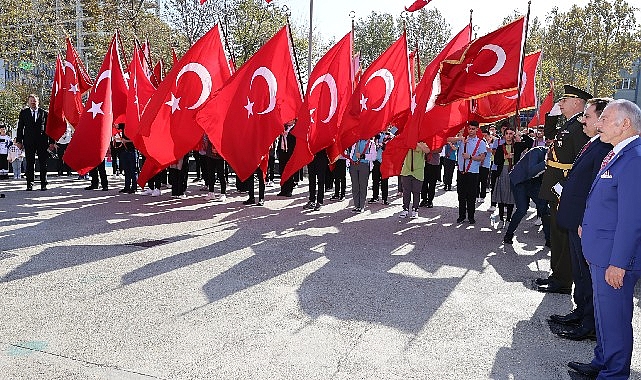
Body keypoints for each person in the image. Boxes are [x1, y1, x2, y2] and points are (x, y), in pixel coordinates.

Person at [567, 99, 641, 379]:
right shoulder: (617, 153)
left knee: (616, 320)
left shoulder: (634, 158)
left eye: (605, 119)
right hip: (601, 253)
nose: (598, 124)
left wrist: (619, 263)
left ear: (625, 124)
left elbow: (633, 218)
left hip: (615, 258)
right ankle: (602, 362)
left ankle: (614, 374)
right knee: (604, 317)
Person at [551, 98, 613, 343]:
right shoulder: (594, 142)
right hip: (575, 220)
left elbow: (596, 191)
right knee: (580, 273)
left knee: (587, 276)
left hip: (583, 223)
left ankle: (589, 324)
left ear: (602, 119)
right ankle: (580, 312)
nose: (582, 121)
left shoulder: (605, 148)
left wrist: (585, 220)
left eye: (587, 116)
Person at [537, 85, 591, 295]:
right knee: (556, 232)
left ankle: (563, 280)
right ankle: (556, 275)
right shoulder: (570, 124)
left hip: (564, 187)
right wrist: (551, 116)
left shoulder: (580, 127)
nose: (560, 103)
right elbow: (550, 136)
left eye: (564, 100)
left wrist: (568, 188)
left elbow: (581, 162)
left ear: (577, 102)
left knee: (562, 234)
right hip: (556, 185)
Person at [503, 145, 550, 245]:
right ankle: (509, 234)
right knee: (522, 209)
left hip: (534, 182)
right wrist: (547, 162)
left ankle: (549, 240)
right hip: (520, 181)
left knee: (544, 208)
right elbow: (532, 170)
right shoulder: (536, 151)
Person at [491, 127, 532, 228]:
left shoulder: (517, 146)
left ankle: (508, 219)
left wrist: (520, 135)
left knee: (510, 196)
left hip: (513, 172)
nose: (509, 136)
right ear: (504, 136)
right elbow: (496, 161)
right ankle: (501, 218)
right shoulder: (501, 147)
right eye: (507, 134)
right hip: (502, 172)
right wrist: (505, 157)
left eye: (510, 134)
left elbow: (530, 142)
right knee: (501, 196)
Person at [448, 121, 487, 224]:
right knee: (461, 195)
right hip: (461, 171)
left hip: (473, 172)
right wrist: (460, 138)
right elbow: (448, 139)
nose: (471, 131)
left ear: (477, 129)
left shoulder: (481, 142)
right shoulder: (463, 140)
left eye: (473, 129)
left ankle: (471, 216)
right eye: (469, 128)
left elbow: (482, 157)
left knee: (471, 196)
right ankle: (461, 216)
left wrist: (470, 157)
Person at [16, 94, 53, 191]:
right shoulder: (24, 113)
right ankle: (29, 184)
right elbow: (20, 128)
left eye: (35, 101)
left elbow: (49, 129)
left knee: (43, 163)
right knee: (29, 163)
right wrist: (19, 141)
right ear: (28, 102)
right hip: (29, 142)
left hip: (42, 142)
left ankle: (43, 184)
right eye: (31, 101)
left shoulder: (44, 113)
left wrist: (52, 142)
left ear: (38, 102)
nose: (33, 102)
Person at [399, 142, 430, 218]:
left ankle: (415, 209)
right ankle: (405, 209)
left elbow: (427, 151)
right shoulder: (407, 141)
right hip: (406, 170)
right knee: (406, 191)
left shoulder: (423, 142)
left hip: (418, 171)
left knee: (416, 192)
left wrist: (417, 143)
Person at [349, 138, 376, 213]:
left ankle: (361, 206)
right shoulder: (355, 141)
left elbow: (374, 157)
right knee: (355, 186)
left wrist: (363, 156)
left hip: (364, 165)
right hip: (353, 165)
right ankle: (356, 205)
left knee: (363, 186)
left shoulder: (371, 143)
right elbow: (351, 153)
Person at [115, 124, 137, 194]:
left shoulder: (134, 125)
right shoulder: (124, 125)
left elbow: (136, 139)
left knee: (132, 170)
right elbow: (116, 126)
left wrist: (127, 141)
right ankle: (127, 187)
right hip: (124, 151)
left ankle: (134, 187)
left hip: (131, 150)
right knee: (126, 170)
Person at [277, 120, 296, 197]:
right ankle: (283, 189)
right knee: (282, 171)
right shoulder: (283, 128)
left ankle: (289, 190)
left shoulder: (295, 128)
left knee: (289, 171)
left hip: (290, 153)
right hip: (282, 152)